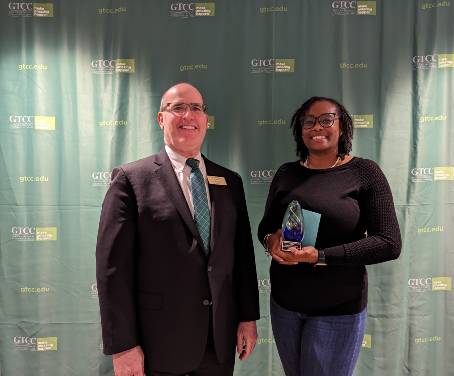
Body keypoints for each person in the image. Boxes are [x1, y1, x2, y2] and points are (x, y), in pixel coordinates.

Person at [96, 83, 260, 376]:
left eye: (196, 108)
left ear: (205, 120)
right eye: (178, 108)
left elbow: (242, 258)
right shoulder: (131, 180)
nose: (189, 115)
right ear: (161, 118)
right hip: (158, 344)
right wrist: (123, 345)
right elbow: (113, 270)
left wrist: (247, 318)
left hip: (217, 343)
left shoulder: (229, 181)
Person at [258, 96, 401, 376]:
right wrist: (270, 241)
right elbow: (266, 225)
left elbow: (388, 243)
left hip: (337, 309)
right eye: (308, 121)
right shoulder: (287, 173)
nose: (316, 127)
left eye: (326, 119)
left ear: (343, 128)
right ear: (300, 131)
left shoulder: (365, 173)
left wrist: (320, 256)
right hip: (285, 305)